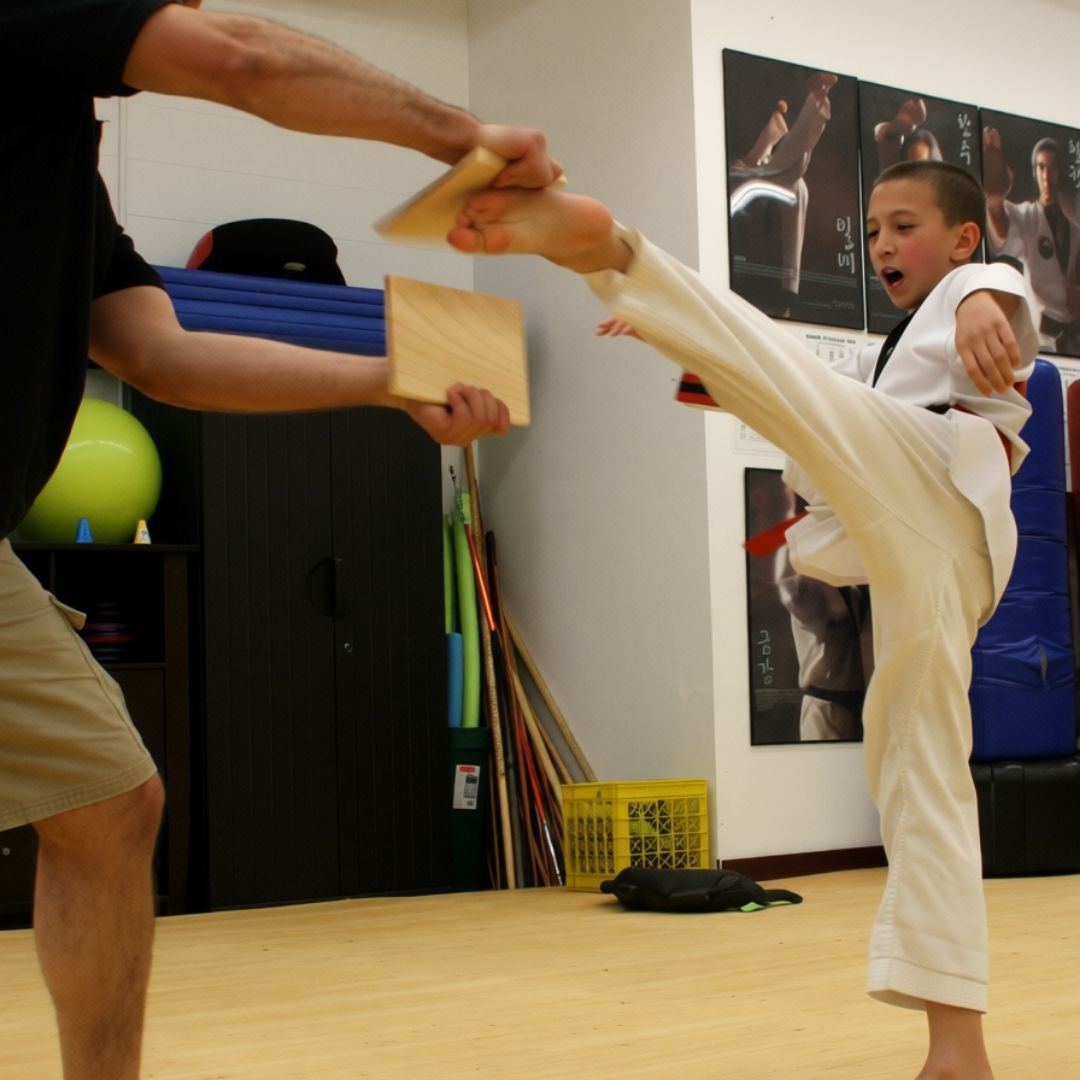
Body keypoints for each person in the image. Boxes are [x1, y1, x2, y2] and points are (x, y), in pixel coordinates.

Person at [1, 2, 561, 1077]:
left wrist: (393, 384)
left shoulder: (61, 174)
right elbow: (243, 60)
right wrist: (463, 138)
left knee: (106, 801)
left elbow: (163, 358)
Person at [448, 159, 1038, 1079]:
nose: (881, 242)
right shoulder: (880, 358)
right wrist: (665, 335)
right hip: (923, 554)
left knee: (801, 388)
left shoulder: (976, 289)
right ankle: (958, 1049)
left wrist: (977, 298)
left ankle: (613, 250)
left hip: (944, 475)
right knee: (920, 779)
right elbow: (777, 381)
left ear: (961, 237)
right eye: (874, 228)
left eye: (906, 226)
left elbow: (996, 286)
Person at [728, 72, 838, 316]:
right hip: (741, 172)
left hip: (764, 171)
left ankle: (789, 289)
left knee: (794, 183)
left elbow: (778, 164)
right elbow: (758, 162)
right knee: (787, 174)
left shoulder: (784, 173)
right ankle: (815, 107)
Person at [983, 126, 1080, 353]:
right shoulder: (1026, 217)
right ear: (1034, 172)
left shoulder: (1075, 221)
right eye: (1041, 167)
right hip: (1043, 339)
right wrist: (995, 197)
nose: (1047, 177)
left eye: (1053, 168)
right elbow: (1002, 228)